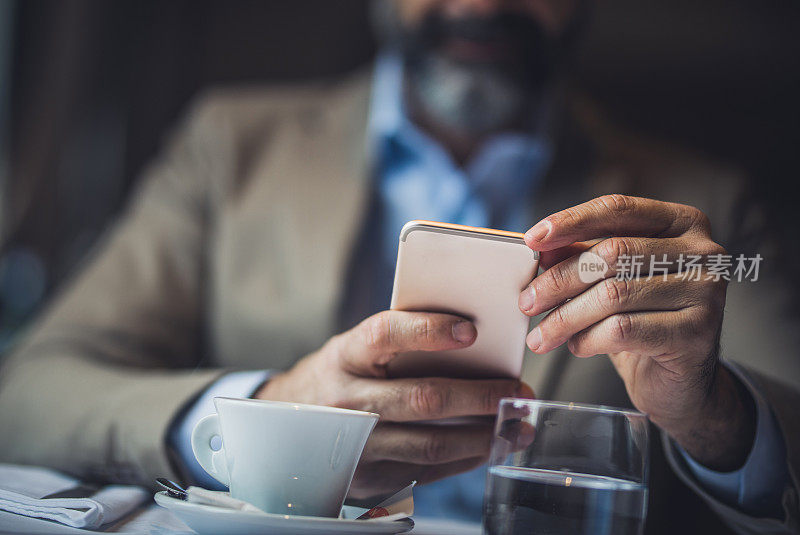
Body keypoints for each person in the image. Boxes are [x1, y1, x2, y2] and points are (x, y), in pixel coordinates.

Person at [0, 0, 797, 533]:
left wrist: (711, 413)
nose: (479, 3)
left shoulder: (703, 206)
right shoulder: (229, 147)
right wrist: (263, 416)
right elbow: (26, 392)